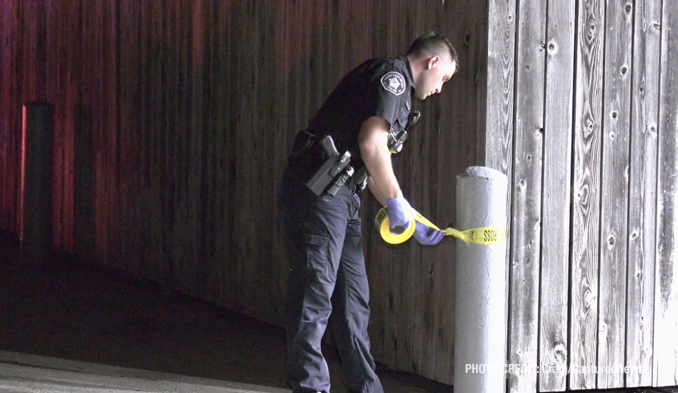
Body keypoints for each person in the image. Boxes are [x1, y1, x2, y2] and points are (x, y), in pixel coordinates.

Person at [279, 32, 458, 393]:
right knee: (316, 291)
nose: (441, 88)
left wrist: (405, 210)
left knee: (353, 300)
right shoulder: (392, 78)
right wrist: (395, 202)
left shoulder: (401, 95)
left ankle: (365, 387)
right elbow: (371, 144)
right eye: (445, 79)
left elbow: (372, 163)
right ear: (432, 62)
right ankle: (309, 386)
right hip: (319, 192)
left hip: (343, 195)